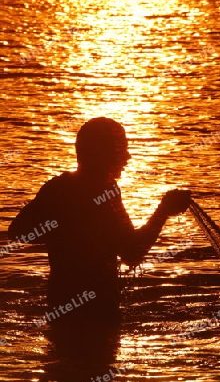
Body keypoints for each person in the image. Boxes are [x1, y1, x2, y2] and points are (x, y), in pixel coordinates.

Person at [8, 117, 191, 327]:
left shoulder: (57, 187)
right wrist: (163, 210)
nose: (127, 157)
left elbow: (18, 232)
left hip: (59, 307)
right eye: (120, 149)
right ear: (102, 154)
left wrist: (63, 233)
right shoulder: (106, 191)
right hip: (99, 311)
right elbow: (132, 252)